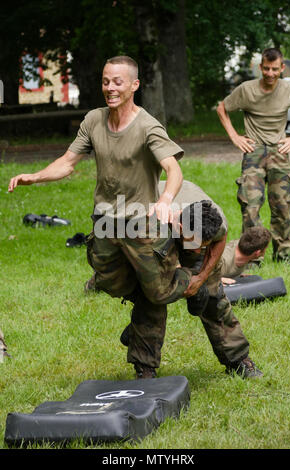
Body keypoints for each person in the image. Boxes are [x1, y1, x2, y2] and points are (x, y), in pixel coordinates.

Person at [8, 55, 201, 379]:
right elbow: (68, 162)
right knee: (109, 282)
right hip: (106, 221)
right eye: (105, 81)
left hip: (141, 220)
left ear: (134, 85)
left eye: (117, 82)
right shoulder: (94, 120)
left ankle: (192, 279)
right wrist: (35, 176)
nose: (110, 88)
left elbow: (173, 168)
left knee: (159, 293)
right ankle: (146, 299)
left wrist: (166, 199)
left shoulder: (147, 125)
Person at [120, 180, 263, 379]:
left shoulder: (214, 221)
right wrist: (177, 273)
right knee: (153, 299)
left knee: (214, 296)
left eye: (202, 245)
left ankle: (238, 359)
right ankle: (145, 366)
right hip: (156, 234)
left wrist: (202, 276)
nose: (197, 251)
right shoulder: (154, 222)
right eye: (194, 244)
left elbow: (220, 240)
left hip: (188, 224)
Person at [217, 47, 290, 263]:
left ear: (282, 69)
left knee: (282, 205)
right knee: (250, 206)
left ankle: (283, 255)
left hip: (279, 151)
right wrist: (235, 137)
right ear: (261, 67)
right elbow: (222, 108)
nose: (270, 73)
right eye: (266, 69)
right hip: (254, 152)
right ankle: (252, 257)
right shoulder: (247, 90)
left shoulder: (288, 89)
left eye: (275, 69)